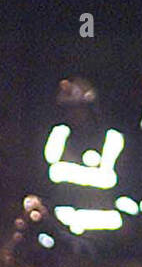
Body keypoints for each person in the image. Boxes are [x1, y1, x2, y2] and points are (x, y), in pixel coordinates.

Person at [40, 76, 126, 235]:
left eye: (79, 108)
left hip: (104, 226)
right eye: (69, 109)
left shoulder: (111, 138)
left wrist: (66, 171)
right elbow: (47, 174)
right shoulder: (59, 135)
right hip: (63, 223)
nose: (74, 114)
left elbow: (110, 179)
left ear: (91, 109)